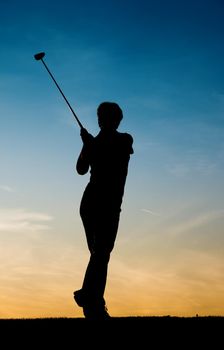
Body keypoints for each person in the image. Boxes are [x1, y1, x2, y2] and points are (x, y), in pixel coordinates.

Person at [73, 101, 134, 320]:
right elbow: (81, 170)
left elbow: (114, 155)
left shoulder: (124, 140)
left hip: (106, 204)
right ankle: (91, 298)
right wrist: (85, 146)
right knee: (101, 253)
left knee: (100, 254)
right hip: (95, 203)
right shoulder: (94, 143)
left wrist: (90, 145)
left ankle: (93, 304)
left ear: (116, 120)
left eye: (107, 117)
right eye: (102, 117)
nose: (104, 121)